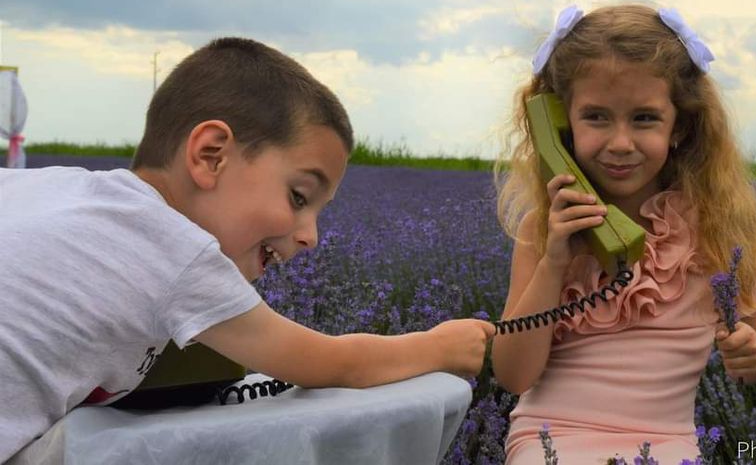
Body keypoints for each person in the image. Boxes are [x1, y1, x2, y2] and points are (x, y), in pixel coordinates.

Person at [0, 37, 495, 461]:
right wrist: (441, 345)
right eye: (299, 197)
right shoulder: (175, 249)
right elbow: (327, 364)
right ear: (210, 155)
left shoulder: (53, 187)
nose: (311, 236)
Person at [491, 4, 756, 464]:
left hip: (665, 444)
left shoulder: (716, 228)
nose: (621, 142)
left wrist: (753, 353)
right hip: (553, 438)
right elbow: (513, 375)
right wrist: (554, 264)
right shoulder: (541, 231)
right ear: (558, 124)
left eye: (644, 118)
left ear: (681, 126)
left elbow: (754, 357)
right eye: (597, 117)